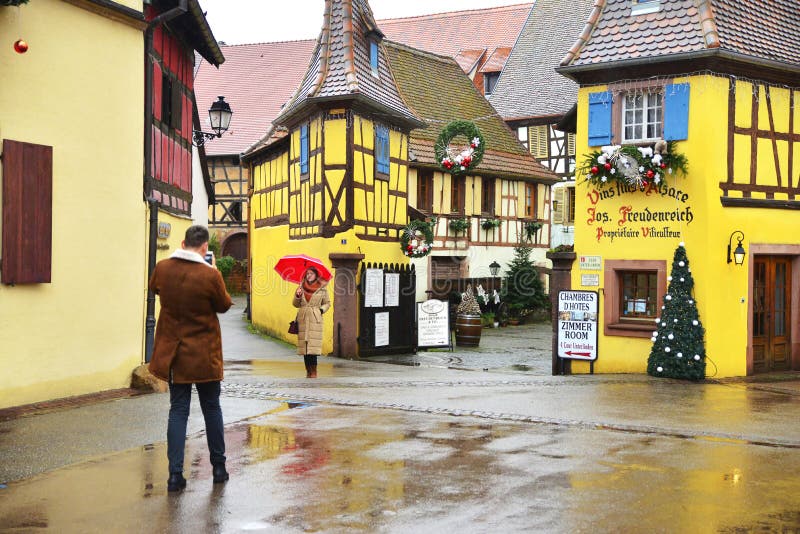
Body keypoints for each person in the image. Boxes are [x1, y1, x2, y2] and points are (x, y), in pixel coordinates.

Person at [148, 225, 233, 492]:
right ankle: (218, 468)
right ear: (205, 247)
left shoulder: (163, 268)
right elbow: (224, 305)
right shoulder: (210, 276)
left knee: (178, 410)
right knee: (211, 409)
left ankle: (175, 475)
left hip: (175, 355)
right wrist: (214, 271)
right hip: (204, 355)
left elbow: (156, 288)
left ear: (183, 243)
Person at [292, 267, 331, 378]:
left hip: (315, 318)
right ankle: (308, 371)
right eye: (307, 273)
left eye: (311, 273)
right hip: (303, 318)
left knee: (313, 348)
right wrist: (298, 295)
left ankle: (313, 372)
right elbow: (295, 304)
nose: (309, 275)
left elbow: (327, 303)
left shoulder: (322, 288)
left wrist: (320, 310)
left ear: (316, 275)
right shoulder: (301, 287)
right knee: (305, 347)